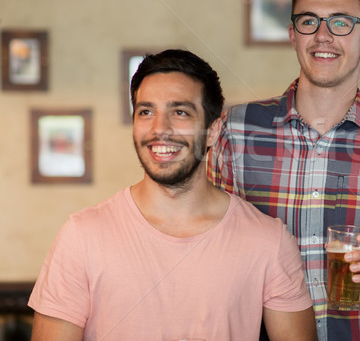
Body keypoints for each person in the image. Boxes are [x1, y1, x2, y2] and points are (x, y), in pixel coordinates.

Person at [28, 49, 317, 341]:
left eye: (180, 112)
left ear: (213, 131)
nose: (159, 129)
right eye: (146, 112)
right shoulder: (81, 236)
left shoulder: (269, 241)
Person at [208, 0, 360, 340]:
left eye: (341, 23)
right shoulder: (235, 129)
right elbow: (206, 251)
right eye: (309, 21)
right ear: (293, 35)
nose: (323, 36)